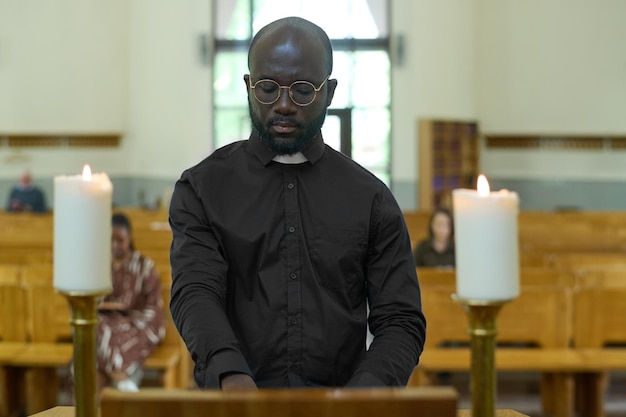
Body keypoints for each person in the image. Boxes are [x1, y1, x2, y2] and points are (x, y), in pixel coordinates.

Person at [169, 16, 426, 390]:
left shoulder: (370, 197)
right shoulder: (203, 188)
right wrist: (227, 371)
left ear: (330, 92)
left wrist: (367, 391)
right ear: (248, 87)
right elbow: (195, 291)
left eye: (303, 90)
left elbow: (401, 319)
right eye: (268, 88)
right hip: (233, 401)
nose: (284, 104)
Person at [95, 213, 166, 392]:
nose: (115, 245)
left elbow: (153, 306)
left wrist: (130, 319)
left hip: (136, 324)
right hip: (107, 323)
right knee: (96, 329)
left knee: (117, 338)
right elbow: (93, 302)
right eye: (111, 240)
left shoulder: (144, 266)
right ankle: (122, 379)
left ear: (130, 238)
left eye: (120, 240)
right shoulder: (100, 265)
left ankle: (119, 377)